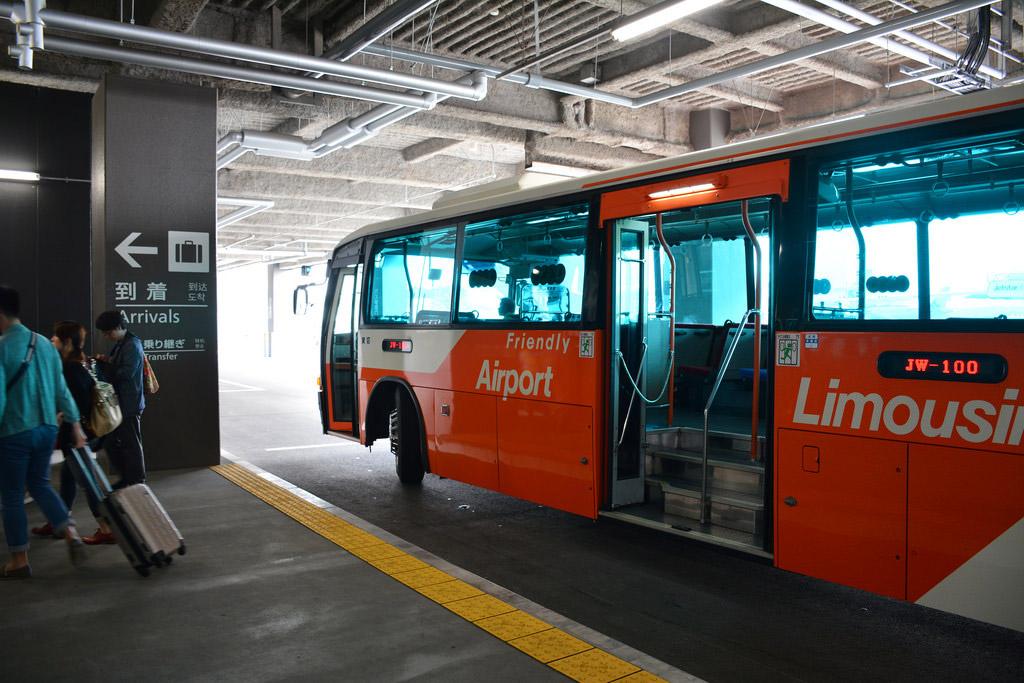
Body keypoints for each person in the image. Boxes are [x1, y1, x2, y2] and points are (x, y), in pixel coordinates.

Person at [0, 286, 87, 579]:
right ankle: (71, 532)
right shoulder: (43, 344)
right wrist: (75, 425)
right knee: (40, 484)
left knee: (11, 495)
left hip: (15, 430)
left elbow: (0, 399)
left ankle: (19, 560)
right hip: (48, 429)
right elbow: (61, 390)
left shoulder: (1, 347)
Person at [30, 321, 116, 545]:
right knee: (69, 478)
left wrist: (61, 418)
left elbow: (78, 402)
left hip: (78, 437)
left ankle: (107, 528)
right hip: (82, 435)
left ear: (66, 342)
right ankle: (59, 520)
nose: (51, 341)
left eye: (55, 338)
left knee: (88, 483)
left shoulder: (71, 368)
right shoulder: (81, 362)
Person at [94, 310, 146, 489]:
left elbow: (126, 373)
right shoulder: (122, 343)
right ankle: (128, 477)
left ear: (117, 327)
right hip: (122, 402)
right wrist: (106, 361)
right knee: (119, 442)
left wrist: (106, 368)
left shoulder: (132, 344)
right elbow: (119, 367)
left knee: (131, 443)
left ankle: (137, 480)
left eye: (108, 332)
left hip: (130, 402)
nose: (106, 336)